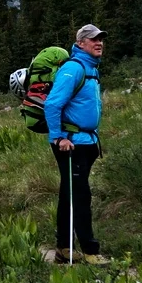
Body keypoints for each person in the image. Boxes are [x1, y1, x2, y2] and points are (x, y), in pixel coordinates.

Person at [45, 24, 108, 265]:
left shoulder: (91, 69)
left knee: (69, 194)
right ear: (80, 43)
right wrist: (59, 137)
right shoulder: (73, 68)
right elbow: (52, 105)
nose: (99, 42)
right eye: (93, 39)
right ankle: (90, 251)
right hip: (70, 144)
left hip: (85, 142)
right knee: (80, 195)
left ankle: (63, 248)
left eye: (101, 39)